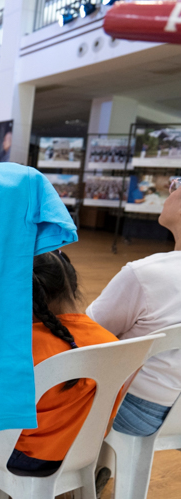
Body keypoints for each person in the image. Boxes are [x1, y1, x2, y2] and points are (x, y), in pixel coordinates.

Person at [0, 250, 120, 476]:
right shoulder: (112, 343)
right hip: (80, 452)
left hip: (18, 457)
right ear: (72, 284)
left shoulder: (18, 348)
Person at [87, 177, 181, 437]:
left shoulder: (148, 274)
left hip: (136, 408)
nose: (169, 192)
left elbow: (87, 334)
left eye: (176, 186)